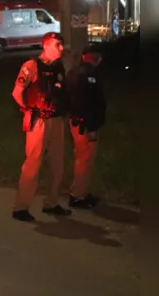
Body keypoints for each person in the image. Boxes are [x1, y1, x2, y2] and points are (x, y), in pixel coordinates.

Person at [11, 32, 72, 221]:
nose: (61, 48)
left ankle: (51, 202)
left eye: (61, 45)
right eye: (57, 45)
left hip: (57, 120)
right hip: (39, 121)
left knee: (57, 165)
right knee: (33, 164)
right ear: (45, 46)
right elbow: (17, 92)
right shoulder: (31, 66)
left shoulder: (59, 66)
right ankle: (21, 207)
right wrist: (27, 110)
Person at [65, 46, 106, 209]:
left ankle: (81, 191)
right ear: (98, 59)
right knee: (85, 160)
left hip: (77, 122)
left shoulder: (73, 73)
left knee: (82, 158)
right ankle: (77, 196)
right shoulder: (90, 76)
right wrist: (92, 126)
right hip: (86, 126)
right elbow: (90, 103)